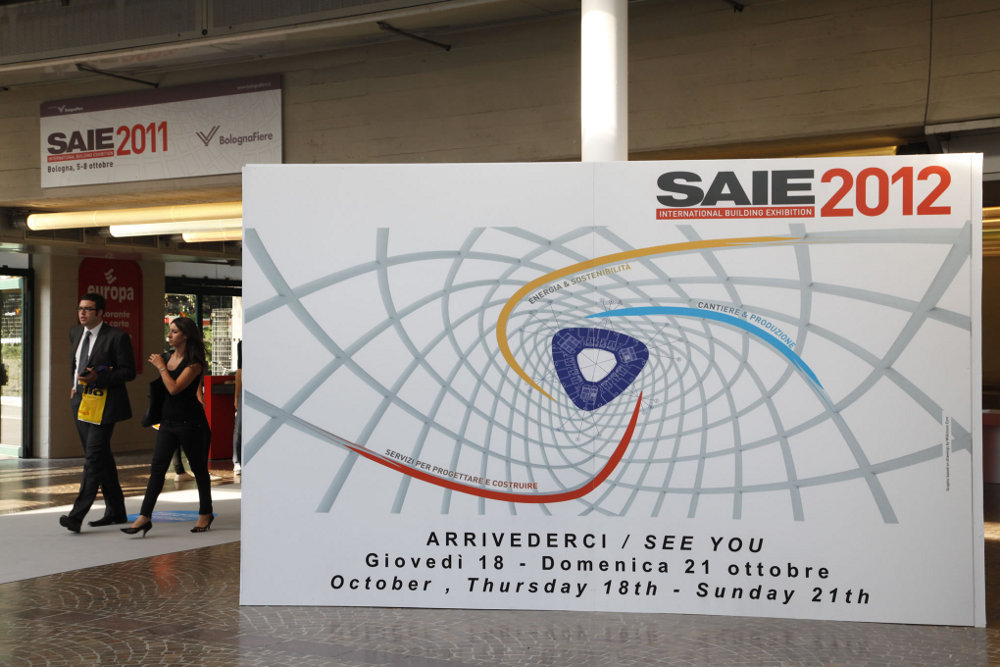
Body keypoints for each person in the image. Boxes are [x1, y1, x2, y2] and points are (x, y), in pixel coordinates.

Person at [122, 317, 215, 536]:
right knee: (157, 469)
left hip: (191, 423)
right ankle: (144, 516)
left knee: (199, 469)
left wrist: (161, 368)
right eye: (169, 330)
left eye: (174, 331)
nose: (169, 335)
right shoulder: (166, 357)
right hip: (168, 422)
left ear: (186, 335)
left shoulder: (194, 363)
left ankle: (205, 512)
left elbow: (174, 389)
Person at [60, 292, 135, 533]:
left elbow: (128, 372)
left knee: (93, 457)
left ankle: (76, 516)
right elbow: (74, 363)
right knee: (100, 457)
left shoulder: (117, 337)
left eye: (88, 309)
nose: (82, 313)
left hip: (105, 404)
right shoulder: (75, 333)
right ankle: (116, 511)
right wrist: (74, 385)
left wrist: (99, 379)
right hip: (81, 402)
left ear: (100, 313)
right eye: (80, 308)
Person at [232, 339, 242, 476]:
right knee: (239, 426)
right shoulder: (242, 345)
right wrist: (237, 396)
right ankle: (237, 461)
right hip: (245, 392)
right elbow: (239, 372)